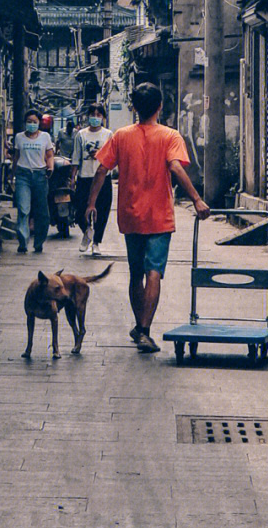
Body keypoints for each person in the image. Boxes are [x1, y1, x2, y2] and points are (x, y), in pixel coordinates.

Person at [85, 82, 209, 353]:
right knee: (154, 272)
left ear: (134, 107)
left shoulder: (120, 135)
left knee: (135, 273)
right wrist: (197, 199)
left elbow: (101, 171)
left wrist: (91, 203)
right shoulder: (170, 136)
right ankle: (143, 330)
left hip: (130, 214)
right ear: (160, 106)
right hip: (159, 216)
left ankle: (140, 327)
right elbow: (175, 166)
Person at [10, 108, 54, 254]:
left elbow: (49, 155)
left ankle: (39, 242)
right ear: (25, 123)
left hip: (40, 175)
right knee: (23, 209)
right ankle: (23, 242)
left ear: (39, 123)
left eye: (34, 122)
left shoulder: (45, 137)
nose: (31, 124)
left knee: (42, 211)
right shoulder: (19, 137)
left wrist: (50, 167)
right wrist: (12, 174)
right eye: (29, 122)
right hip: (23, 175)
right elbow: (16, 156)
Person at [73, 103, 112, 254]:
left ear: (103, 117)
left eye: (98, 115)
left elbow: (111, 156)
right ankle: (87, 232)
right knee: (79, 210)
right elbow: (76, 158)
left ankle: (96, 242)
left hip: (103, 178)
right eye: (92, 114)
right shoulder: (81, 135)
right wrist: (72, 177)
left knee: (102, 212)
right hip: (85, 177)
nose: (95, 118)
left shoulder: (108, 134)